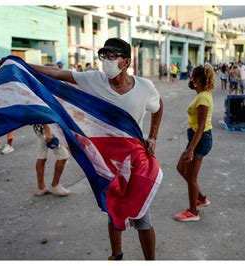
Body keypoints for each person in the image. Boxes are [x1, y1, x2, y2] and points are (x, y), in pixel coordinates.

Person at [29, 37, 163, 260]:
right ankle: (116, 255)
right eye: (104, 56)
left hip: (134, 160)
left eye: (113, 57)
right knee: (112, 209)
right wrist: (20, 64)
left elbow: (158, 106)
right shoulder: (93, 79)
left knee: (142, 216)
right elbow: (56, 75)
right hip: (107, 160)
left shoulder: (144, 87)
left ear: (126, 62)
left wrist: (154, 136)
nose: (107, 62)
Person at [174, 64, 214, 222]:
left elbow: (202, 126)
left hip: (200, 139)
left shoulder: (203, 97)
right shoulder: (201, 95)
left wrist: (190, 149)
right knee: (180, 168)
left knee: (191, 177)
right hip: (196, 139)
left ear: (197, 80)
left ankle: (193, 211)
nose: (190, 79)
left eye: (192, 77)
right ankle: (201, 198)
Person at [32, 124, 70, 196]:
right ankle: (55, 185)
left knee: (41, 155)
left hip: (39, 128)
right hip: (48, 128)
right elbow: (44, 113)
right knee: (63, 155)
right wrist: (48, 131)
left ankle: (41, 187)